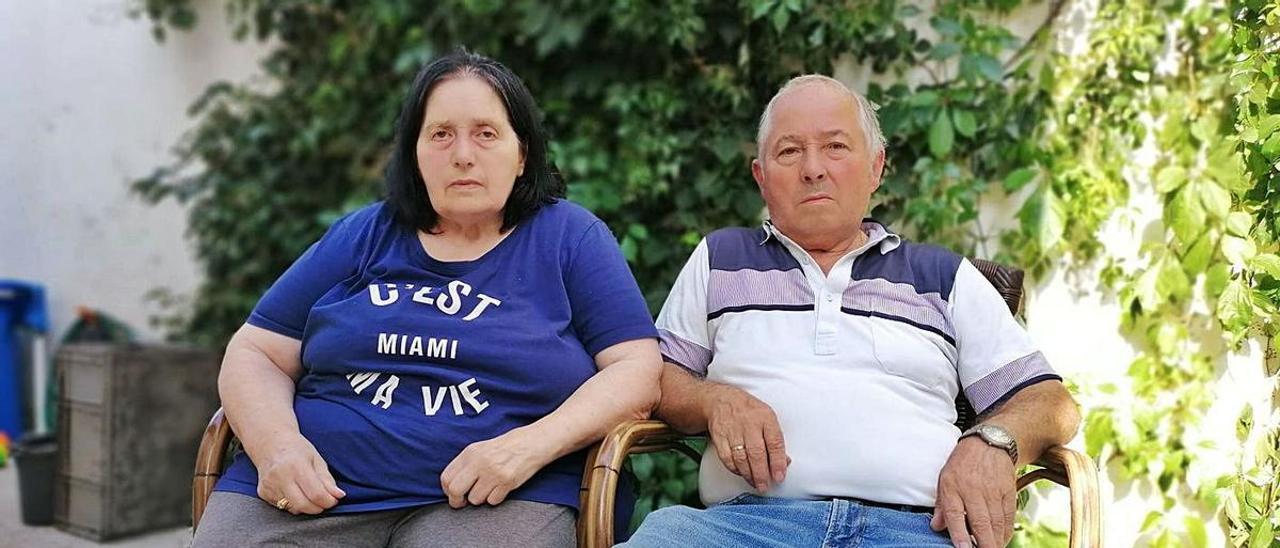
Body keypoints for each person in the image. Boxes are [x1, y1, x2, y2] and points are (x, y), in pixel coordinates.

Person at [191, 50, 662, 548]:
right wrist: (276, 448)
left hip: (494, 498)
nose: (463, 154)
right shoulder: (364, 234)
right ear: (414, 154)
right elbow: (256, 351)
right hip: (315, 493)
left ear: (522, 154)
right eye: (440, 134)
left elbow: (635, 369)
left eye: (485, 133)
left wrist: (526, 448)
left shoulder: (571, 238)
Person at [623, 75, 1081, 548]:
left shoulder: (943, 277)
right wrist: (713, 400)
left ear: (875, 168)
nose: (813, 169)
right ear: (760, 176)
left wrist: (995, 442)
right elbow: (659, 381)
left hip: (916, 532)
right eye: (789, 151)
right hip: (742, 528)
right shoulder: (721, 258)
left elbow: (1051, 403)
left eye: (835, 147)